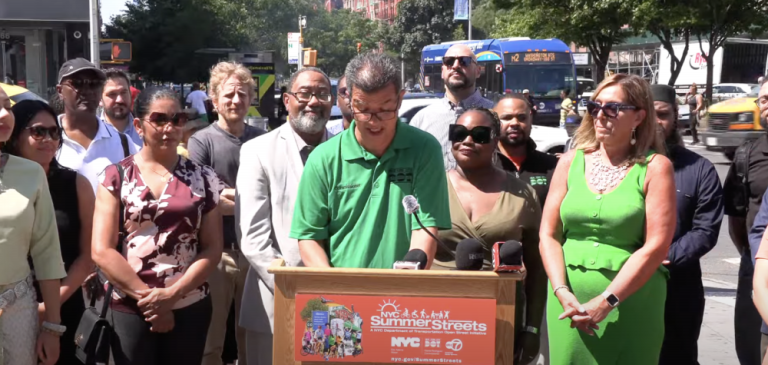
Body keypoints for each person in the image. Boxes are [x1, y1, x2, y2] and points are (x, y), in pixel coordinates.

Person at [539, 74, 675, 364]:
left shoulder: (655, 167)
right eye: (594, 106)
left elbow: (657, 246)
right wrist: (561, 291)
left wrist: (607, 301)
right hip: (568, 306)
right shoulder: (569, 161)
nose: (600, 115)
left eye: (612, 108)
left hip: (632, 307)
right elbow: (548, 235)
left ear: (638, 116)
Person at [91, 86, 224, 365]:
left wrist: (172, 296)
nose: (169, 128)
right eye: (159, 119)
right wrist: (152, 301)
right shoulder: (116, 176)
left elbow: (212, 249)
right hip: (130, 306)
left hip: (189, 303)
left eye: (177, 120)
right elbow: (101, 250)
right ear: (139, 125)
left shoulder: (204, 177)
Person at [290, 52, 451, 269]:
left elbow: (425, 228)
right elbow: (309, 237)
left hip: (403, 294)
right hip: (340, 296)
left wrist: (409, 279)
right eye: (363, 110)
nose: (374, 122)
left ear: (400, 99)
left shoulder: (424, 149)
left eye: (385, 110)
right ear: (349, 100)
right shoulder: (322, 158)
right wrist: (333, 291)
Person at [237, 67, 335, 365]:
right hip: (276, 301)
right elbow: (252, 239)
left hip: (340, 304)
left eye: (322, 94)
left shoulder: (347, 149)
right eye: (305, 93)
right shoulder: (257, 151)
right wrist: (294, 288)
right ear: (287, 99)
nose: (313, 102)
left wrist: (334, 286)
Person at [433, 107, 545, 364]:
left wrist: (532, 329)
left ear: (496, 140)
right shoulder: (431, 187)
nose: (467, 141)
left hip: (502, 315)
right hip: (440, 315)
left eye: (480, 134)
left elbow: (537, 270)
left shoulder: (522, 194)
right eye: (459, 133)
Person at [5, 100, 96, 365]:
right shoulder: (5, 186)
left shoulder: (76, 184)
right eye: (38, 132)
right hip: (10, 306)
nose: (48, 139)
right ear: (14, 136)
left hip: (65, 305)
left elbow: (87, 255)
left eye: (54, 132)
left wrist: (49, 308)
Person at [187, 62, 265, 365]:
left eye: (243, 94)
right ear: (215, 99)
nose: (236, 101)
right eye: (229, 94)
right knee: (211, 342)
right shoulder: (201, 141)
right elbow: (202, 199)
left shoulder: (262, 139)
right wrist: (249, 199)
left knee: (254, 340)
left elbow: (272, 196)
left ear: (251, 99)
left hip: (256, 253)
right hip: (216, 254)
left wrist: (229, 197)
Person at [651, 84, 724, 364]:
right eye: (649, 114)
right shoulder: (622, 165)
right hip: (624, 290)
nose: (656, 122)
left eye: (663, 114)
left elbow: (705, 231)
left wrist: (657, 259)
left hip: (679, 290)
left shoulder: (700, 169)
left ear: (676, 117)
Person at [0, 83, 66, 365]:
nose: (3, 114)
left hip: (19, 307)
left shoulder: (31, 173)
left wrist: (52, 326)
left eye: (6, 106)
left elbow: (47, 252)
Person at [55, 58, 139, 193]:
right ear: (60, 91)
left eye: (94, 84)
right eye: (77, 83)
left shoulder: (124, 144)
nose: (87, 90)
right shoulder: (46, 138)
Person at [729, 77, 768, 364]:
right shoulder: (747, 154)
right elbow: (736, 215)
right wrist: (753, 258)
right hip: (756, 267)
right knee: (751, 349)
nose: (766, 105)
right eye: (763, 100)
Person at [410, 44, 494, 170]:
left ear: (478, 71)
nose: (455, 66)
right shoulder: (422, 119)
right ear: (442, 71)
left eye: (464, 61)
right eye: (449, 61)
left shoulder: (496, 114)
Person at [494, 94, 558, 206]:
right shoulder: (482, 165)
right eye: (507, 117)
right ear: (494, 122)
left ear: (530, 121)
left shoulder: (553, 166)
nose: (514, 123)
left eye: (522, 118)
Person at [101, 69, 142, 147]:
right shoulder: (91, 134)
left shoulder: (145, 131)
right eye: (112, 94)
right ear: (100, 99)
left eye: (123, 93)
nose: (119, 100)